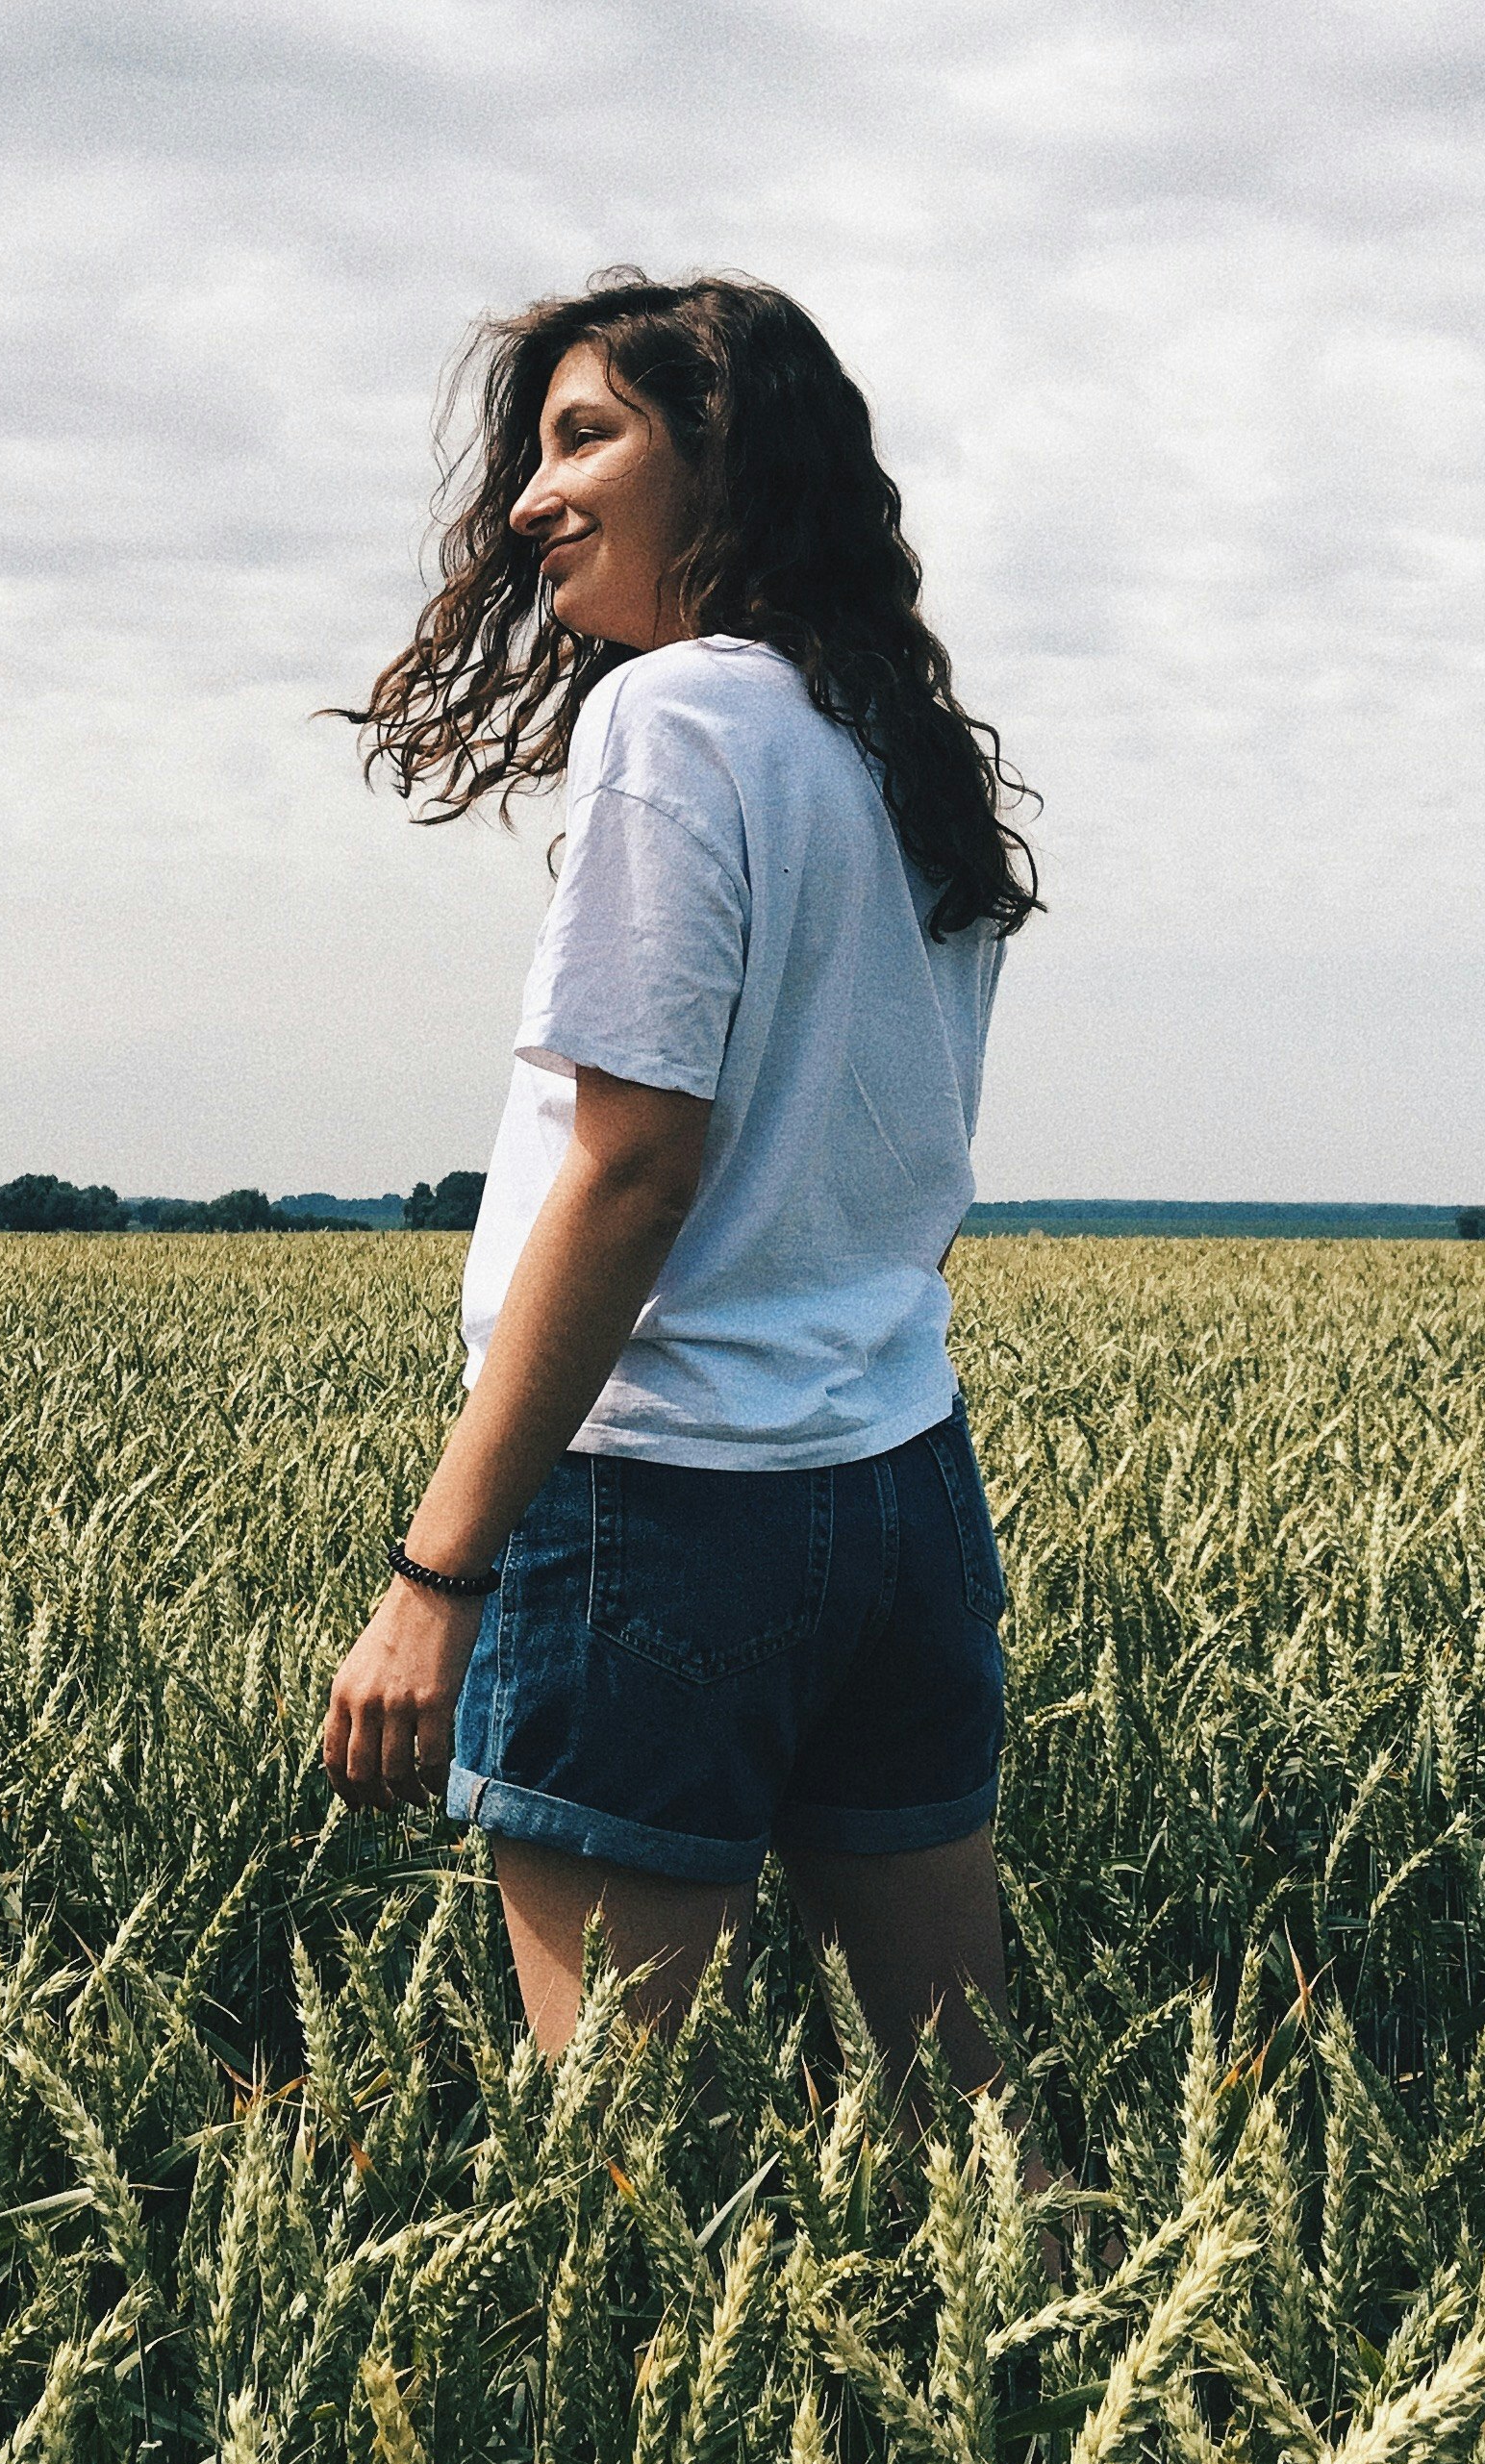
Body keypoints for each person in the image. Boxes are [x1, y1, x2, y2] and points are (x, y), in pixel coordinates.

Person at [321, 270, 1040, 2086]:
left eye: (585, 439)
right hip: (899, 1492)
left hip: (663, 1500)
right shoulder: (900, 754)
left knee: (628, 2176)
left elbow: (634, 1175)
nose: (528, 501)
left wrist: (436, 1573)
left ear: (721, 459)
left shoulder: (675, 722)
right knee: (972, 2114)